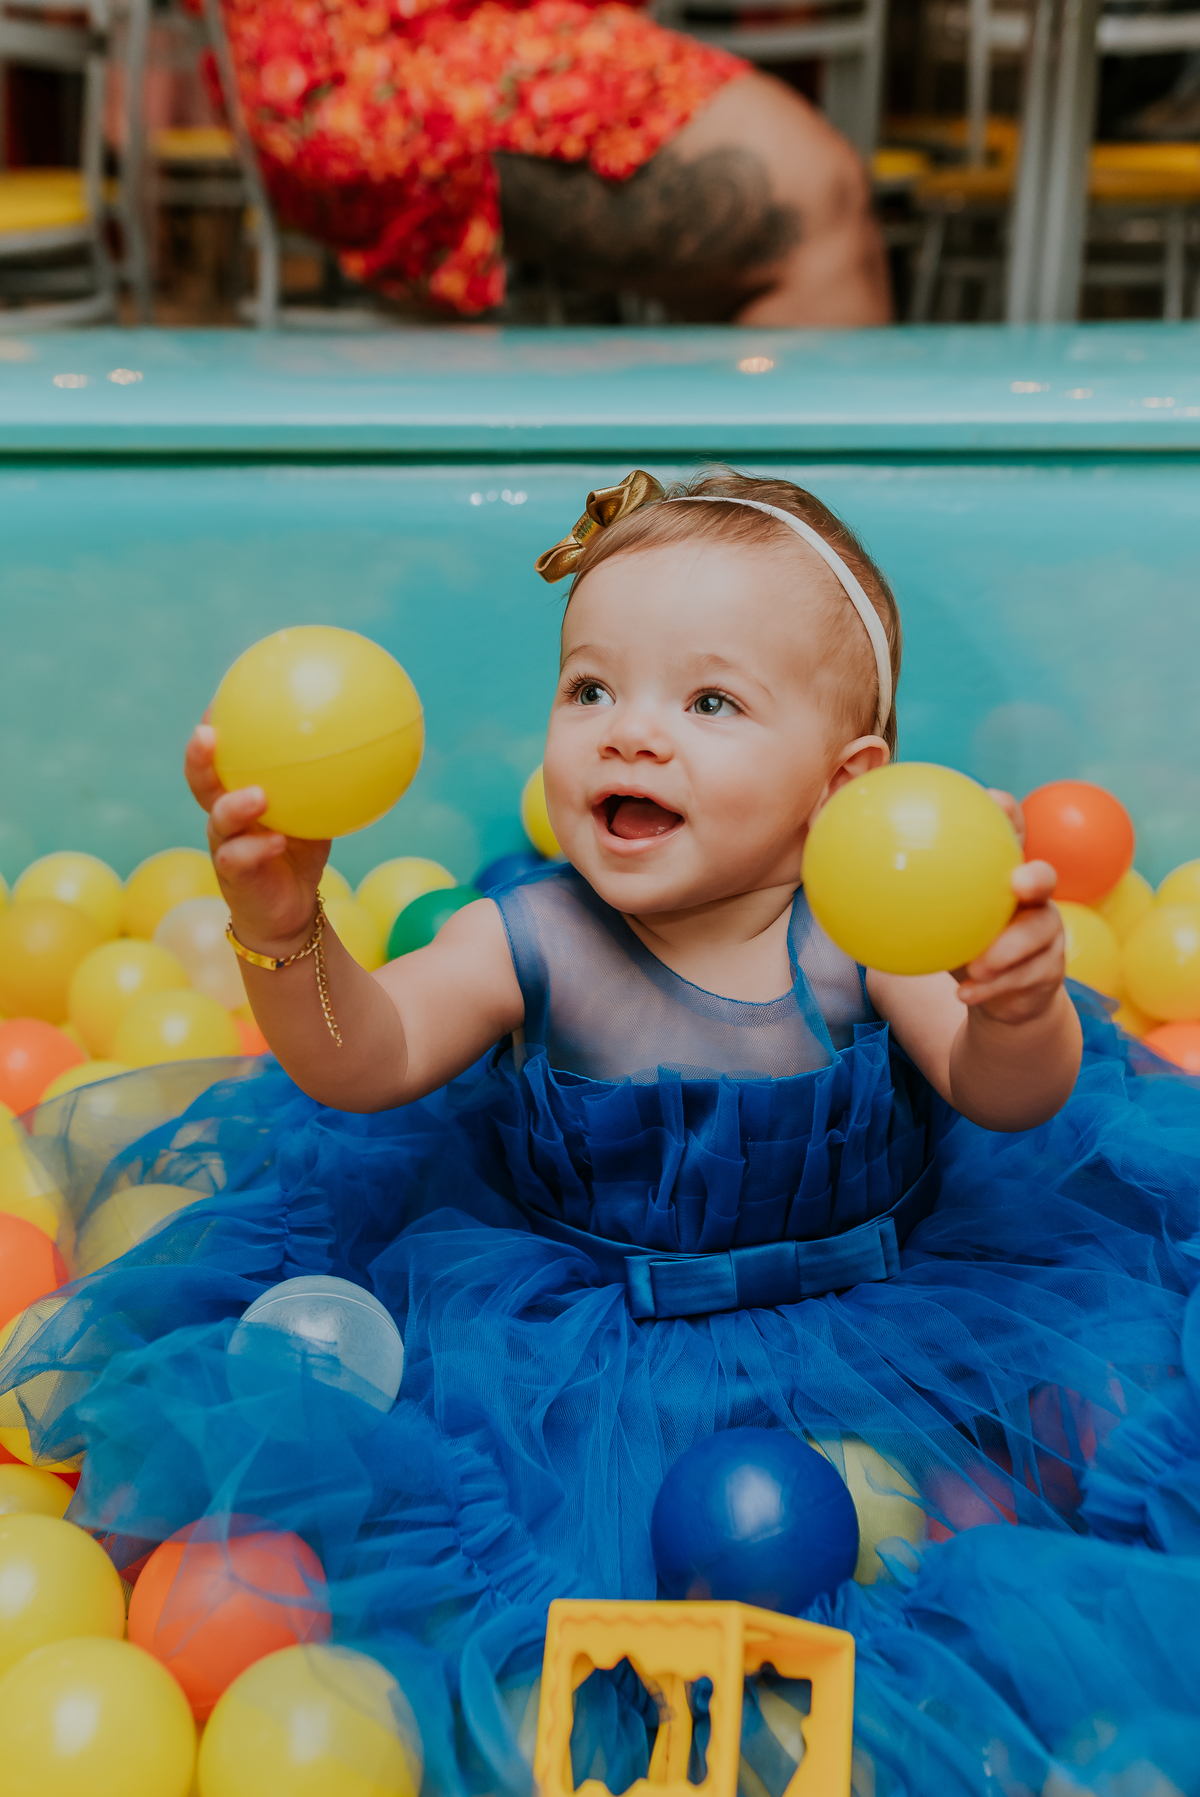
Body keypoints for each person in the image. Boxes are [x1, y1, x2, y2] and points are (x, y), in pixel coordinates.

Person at [9, 468, 1200, 1790]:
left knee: (986, 1555)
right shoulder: (535, 937)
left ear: (843, 783)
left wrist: (1020, 1004)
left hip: (884, 1309)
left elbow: (1006, 1095)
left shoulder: (876, 928)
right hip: (576, 1332)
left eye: (709, 702)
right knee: (534, 1594)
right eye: (591, 689)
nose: (630, 735)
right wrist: (286, 929)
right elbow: (363, 1060)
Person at [215, 0, 891, 323]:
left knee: (795, 207)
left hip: (344, 47)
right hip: (363, 54)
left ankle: (729, 558)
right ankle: (792, 578)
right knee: (812, 200)